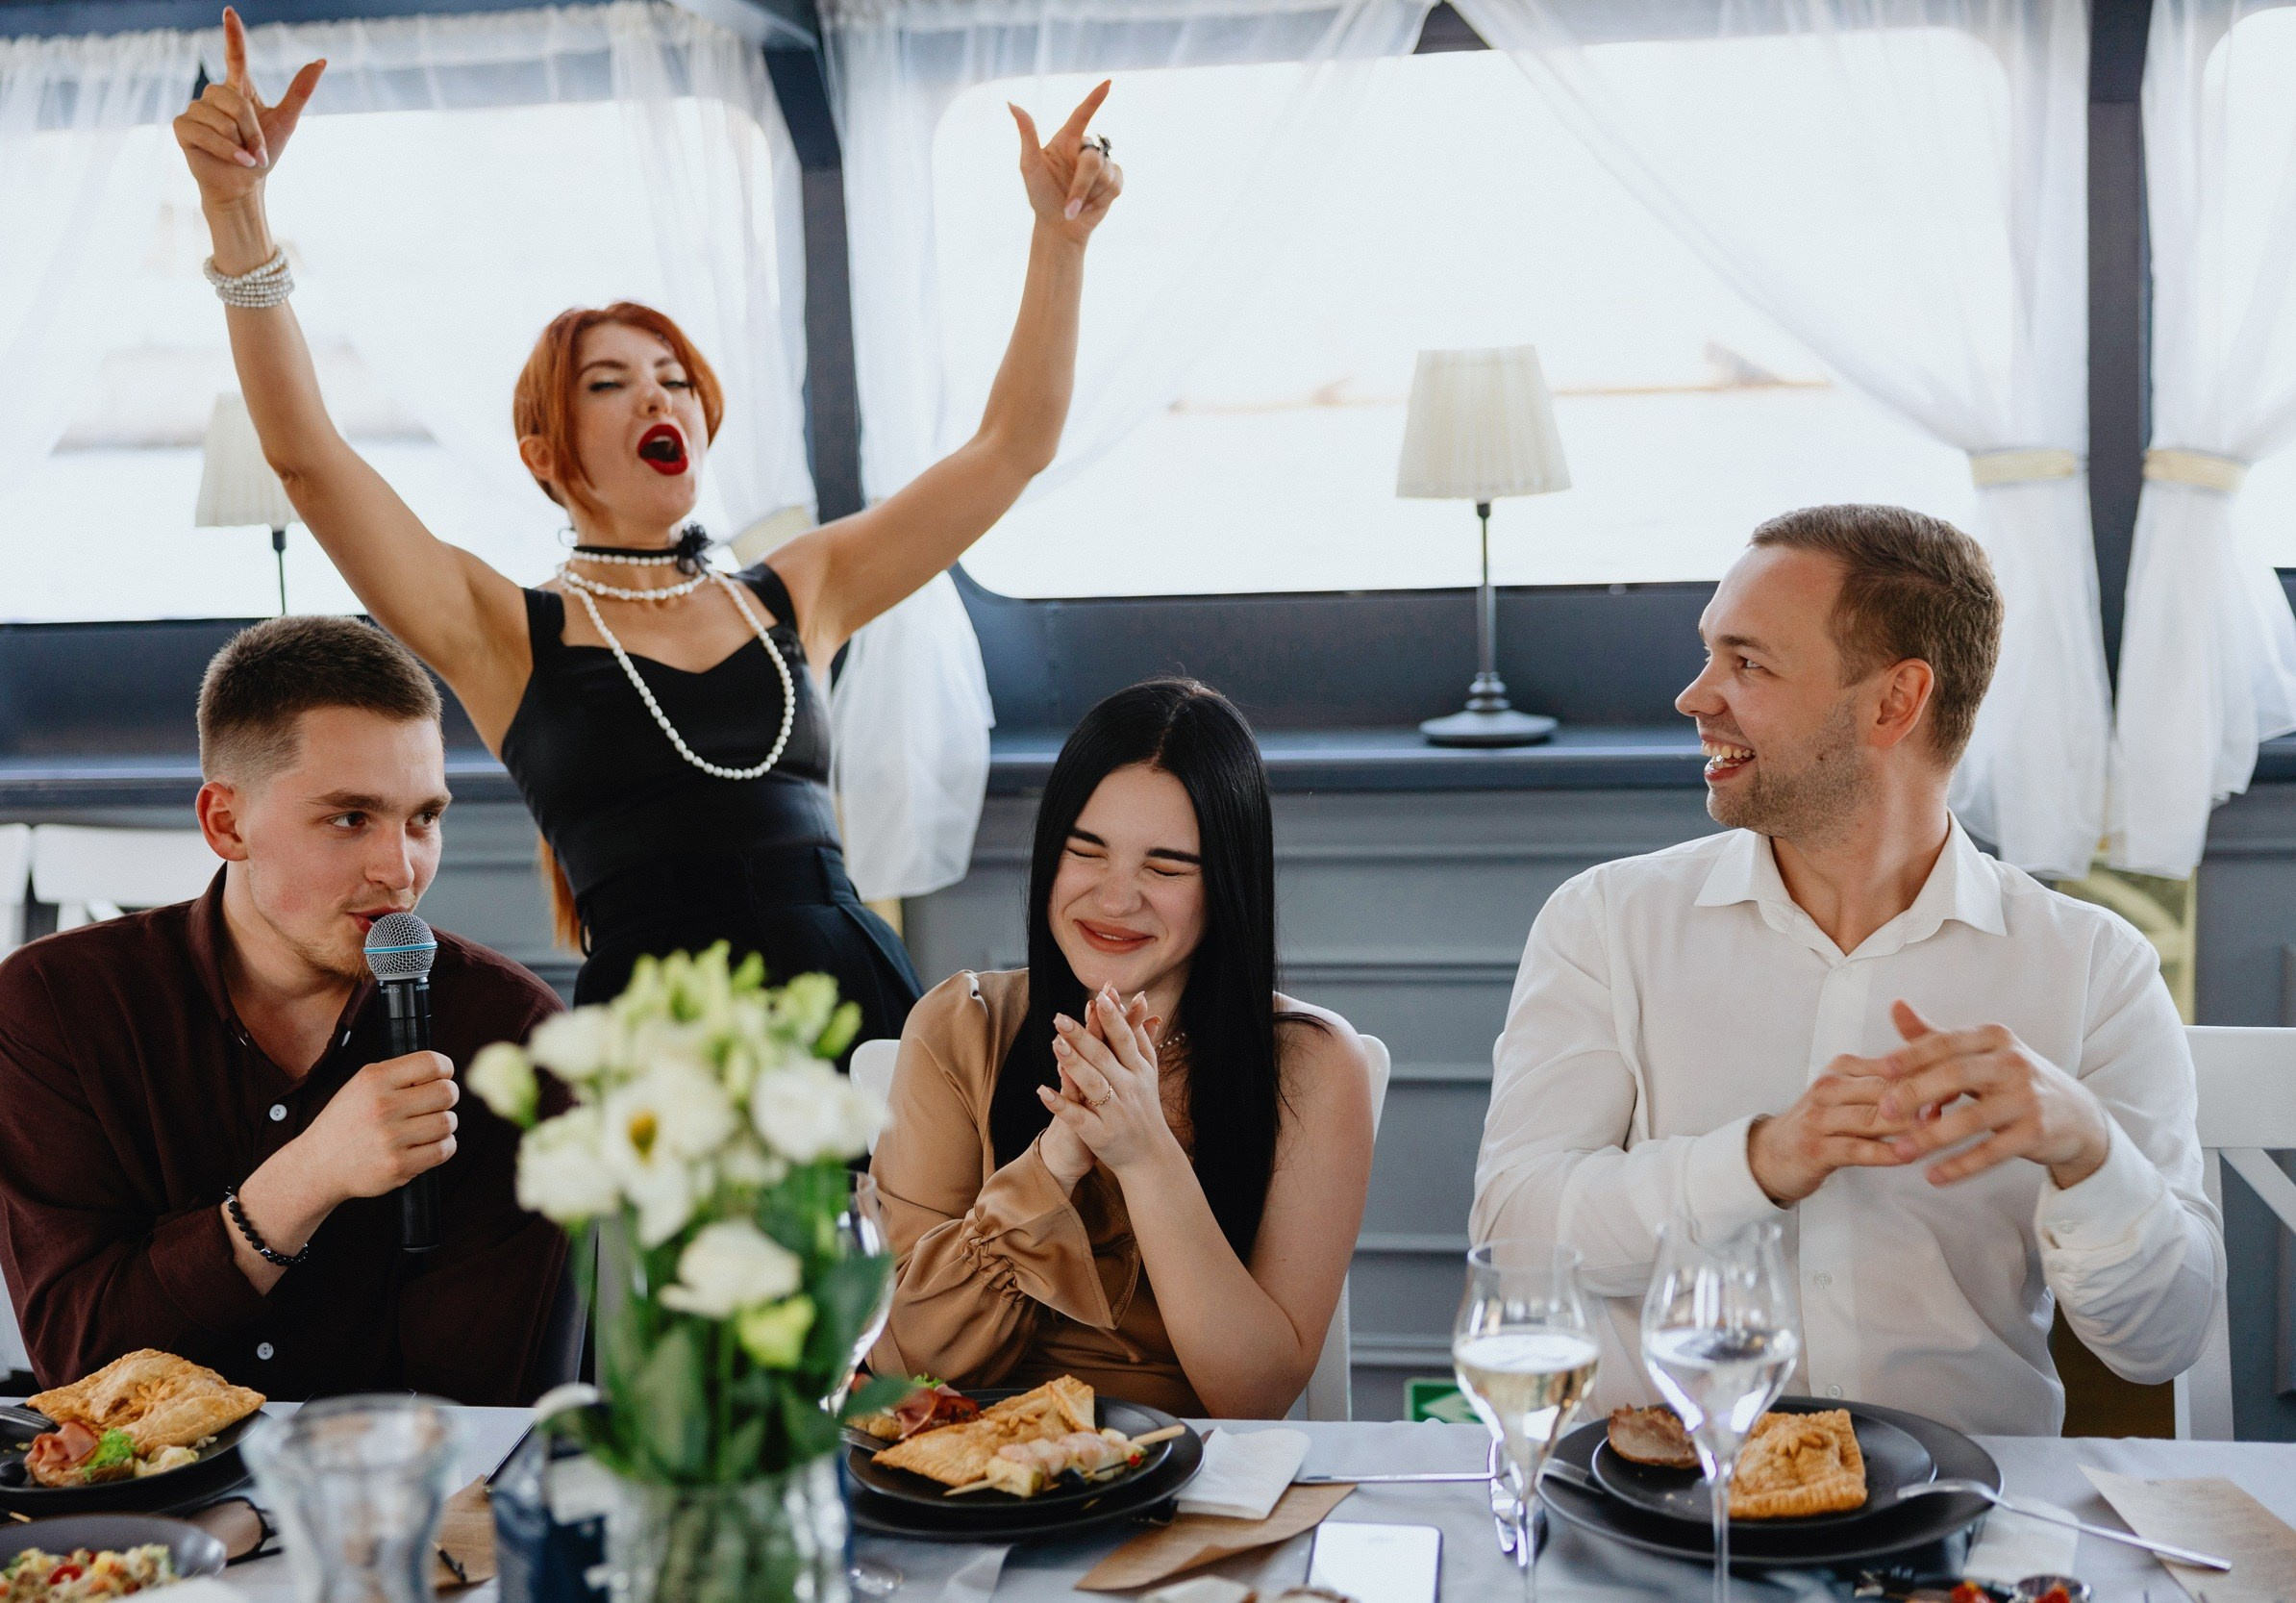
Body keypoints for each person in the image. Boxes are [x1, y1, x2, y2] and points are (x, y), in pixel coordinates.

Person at [171, 10, 1124, 1039]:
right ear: (544, 449)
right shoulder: (502, 628)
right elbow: (309, 461)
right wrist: (238, 213)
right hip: (661, 1051)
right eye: (612, 382)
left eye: (676, 380)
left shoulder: (798, 589)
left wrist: (1058, 238)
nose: (657, 399)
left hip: (857, 1010)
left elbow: (1012, 447)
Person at [1471, 505, 2221, 1436]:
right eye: (1711, 654)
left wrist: (2086, 1148)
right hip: (1664, 1516)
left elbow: (2164, 1339)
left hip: (1962, 1529)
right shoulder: (1605, 923)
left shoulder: (2092, 967)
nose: (1695, 695)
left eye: (1746, 663)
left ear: (1892, 702)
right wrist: (1758, 1161)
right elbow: (1517, 1236)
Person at [0, 616, 570, 1402]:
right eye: (350, 817)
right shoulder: (57, 1008)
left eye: (424, 817)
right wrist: (304, 1180)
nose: (401, 870)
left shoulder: (508, 1032)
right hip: (149, 1514)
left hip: (400, 1509)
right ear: (227, 822)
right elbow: (83, 1369)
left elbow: (473, 1400)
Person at [867, 679, 1374, 1419]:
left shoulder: (1314, 1066)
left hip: (1192, 1486)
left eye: (1164, 868)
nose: (1115, 897)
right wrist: (1053, 1163)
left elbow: (1254, 1394)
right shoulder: (959, 1027)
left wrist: (1144, 1152)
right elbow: (903, 1364)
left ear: (1226, 884)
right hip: (972, 1488)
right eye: (1086, 851)